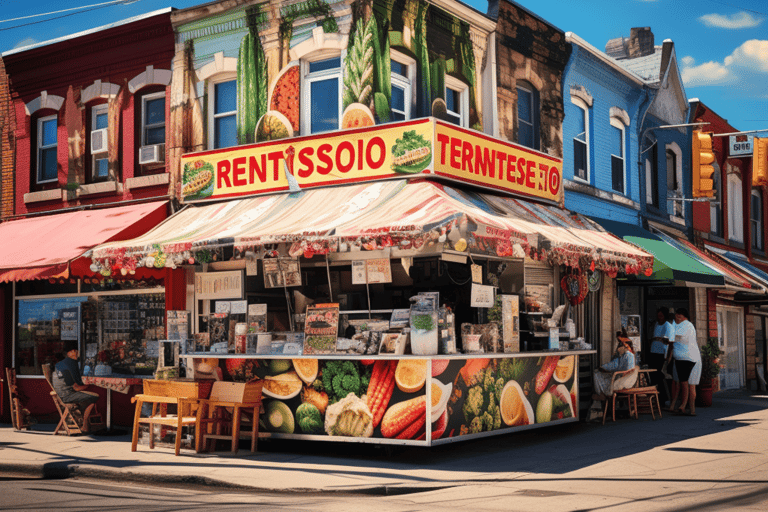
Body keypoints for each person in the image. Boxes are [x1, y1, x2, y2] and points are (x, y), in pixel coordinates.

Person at [53, 340, 100, 432]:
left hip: (60, 394)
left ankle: (83, 423)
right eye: (74, 351)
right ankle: (85, 426)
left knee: (85, 397)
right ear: (70, 353)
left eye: (77, 351)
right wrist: (90, 384)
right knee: (94, 397)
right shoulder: (71, 364)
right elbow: (76, 387)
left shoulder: (62, 363)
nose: (76, 353)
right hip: (66, 395)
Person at [667, 308, 702, 416]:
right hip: (690, 358)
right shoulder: (681, 325)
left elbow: (672, 337)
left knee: (685, 384)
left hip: (687, 359)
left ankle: (685, 406)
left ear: (684, 317)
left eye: (679, 316)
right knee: (687, 384)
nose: (677, 318)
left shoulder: (686, 325)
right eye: (676, 316)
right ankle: (690, 409)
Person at [592, 331, 638, 400]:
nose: (617, 349)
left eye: (619, 346)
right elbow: (614, 365)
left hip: (623, 381)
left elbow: (616, 366)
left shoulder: (627, 355)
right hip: (626, 380)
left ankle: (601, 394)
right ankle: (602, 394)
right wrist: (603, 367)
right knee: (602, 375)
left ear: (624, 346)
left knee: (597, 374)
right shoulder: (626, 355)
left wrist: (602, 368)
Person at [649, 308, 674, 403]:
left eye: (661, 316)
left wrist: (667, 357)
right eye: (658, 316)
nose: (659, 318)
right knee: (654, 375)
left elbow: (670, 342)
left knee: (660, 376)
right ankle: (656, 396)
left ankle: (663, 398)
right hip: (654, 352)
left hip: (662, 354)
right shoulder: (656, 324)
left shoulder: (668, 326)